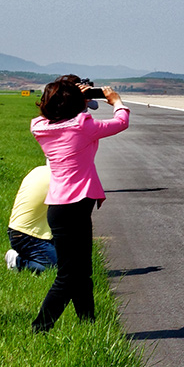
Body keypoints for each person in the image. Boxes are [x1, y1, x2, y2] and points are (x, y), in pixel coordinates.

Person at [29, 74, 130, 333]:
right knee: (69, 276)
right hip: (75, 207)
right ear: (75, 104)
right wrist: (115, 101)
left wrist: (74, 99)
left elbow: (55, 115)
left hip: (61, 208)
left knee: (83, 272)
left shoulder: (41, 128)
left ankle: (89, 325)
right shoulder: (82, 126)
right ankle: (40, 328)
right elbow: (121, 122)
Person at [5, 164, 58, 273]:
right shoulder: (59, 178)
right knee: (59, 269)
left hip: (18, 231)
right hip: (31, 236)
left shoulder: (38, 170)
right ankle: (18, 262)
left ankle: (28, 257)